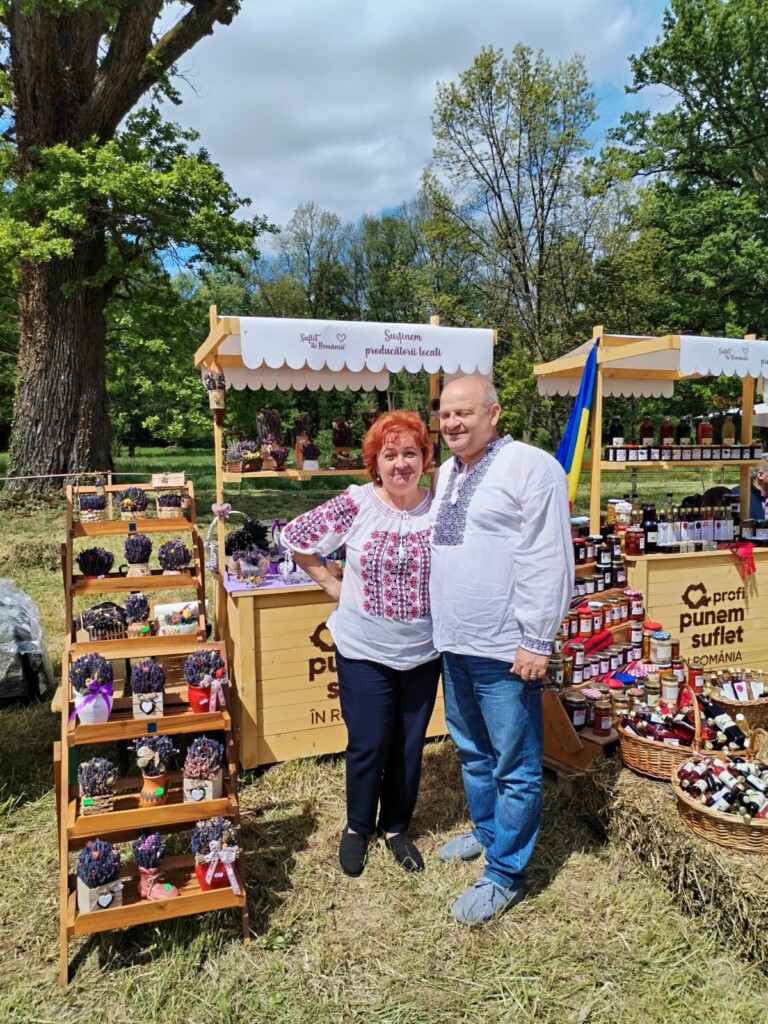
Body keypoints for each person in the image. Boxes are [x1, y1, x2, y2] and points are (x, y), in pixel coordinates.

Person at [430, 375, 574, 925]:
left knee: (515, 764)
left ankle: (505, 872)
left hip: (505, 646)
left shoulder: (532, 467)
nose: (452, 423)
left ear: (494, 413)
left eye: (464, 413)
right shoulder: (447, 472)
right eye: (445, 414)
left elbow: (547, 555)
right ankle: (489, 831)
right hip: (455, 641)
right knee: (472, 751)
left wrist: (536, 638)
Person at [282, 411, 440, 878]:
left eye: (410, 453)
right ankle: (357, 827)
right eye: (390, 455)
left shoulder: (440, 509)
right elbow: (296, 537)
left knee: (409, 745)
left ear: (425, 458)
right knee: (369, 742)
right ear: (376, 463)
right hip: (363, 649)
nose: (401, 464)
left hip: (423, 651)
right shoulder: (357, 503)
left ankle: (396, 826)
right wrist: (332, 585)